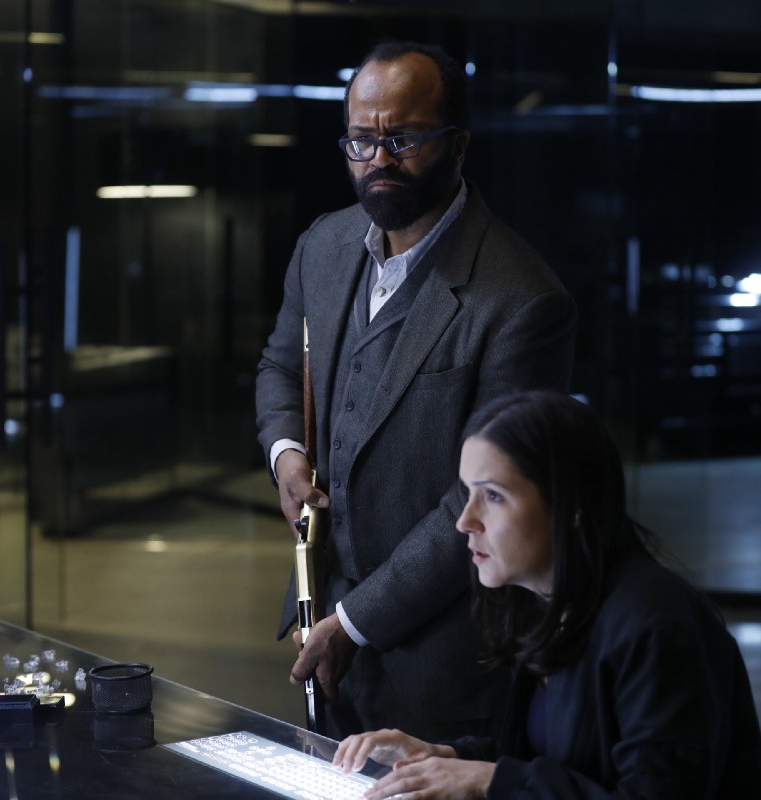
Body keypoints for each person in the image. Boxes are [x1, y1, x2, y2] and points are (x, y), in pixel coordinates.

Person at [255, 40, 577, 742]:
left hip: (445, 664)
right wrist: (286, 454)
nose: (379, 160)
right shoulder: (322, 246)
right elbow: (280, 365)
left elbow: (480, 502)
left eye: (402, 139)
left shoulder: (523, 301)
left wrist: (357, 621)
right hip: (320, 624)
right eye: (361, 140)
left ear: (458, 144)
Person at [332, 390, 761, 799]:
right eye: (468, 493)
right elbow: (549, 758)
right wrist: (444, 757)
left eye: (493, 496)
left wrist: (489, 781)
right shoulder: (545, 602)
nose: (465, 521)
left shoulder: (658, 626)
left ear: (571, 505)